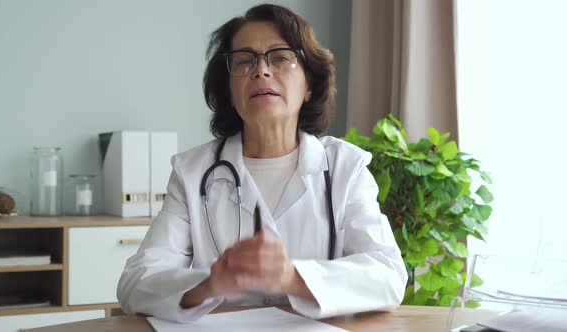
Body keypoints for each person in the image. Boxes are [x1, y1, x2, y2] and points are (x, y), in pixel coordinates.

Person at [117, 3, 407, 323]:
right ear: (229, 90)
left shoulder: (344, 168)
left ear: (309, 85)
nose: (261, 70)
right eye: (244, 61)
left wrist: (293, 278)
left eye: (280, 57)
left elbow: (388, 275)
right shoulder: (193, 172)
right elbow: (136, 282)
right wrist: (208, 284)